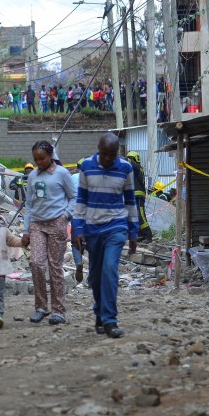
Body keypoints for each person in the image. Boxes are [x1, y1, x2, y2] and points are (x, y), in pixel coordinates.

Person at [73, 133, 137, 339]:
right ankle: (99, 312)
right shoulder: (87, 167)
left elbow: (130, 201)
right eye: (104, 154)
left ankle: (110, 319)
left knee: (110, 270)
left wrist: (133, 231)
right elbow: (81, 199)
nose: (108, 159)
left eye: (112, 155)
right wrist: (78, 228)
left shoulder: (126, 168)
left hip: (116, 226)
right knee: (96, 276)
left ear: (117, 152)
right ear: (98, 149)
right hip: (92, 228)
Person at [21, 140, 77, 325]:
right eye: (36, 159)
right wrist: (26, 230)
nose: (39, 162)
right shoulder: (32, 176)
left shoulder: (62, 173)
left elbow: (74, 197)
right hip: (37, 224)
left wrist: (65, 217)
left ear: (51, 156)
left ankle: (58, 310)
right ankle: (41, 307)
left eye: (42, 158)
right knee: (36, 264)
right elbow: (28, 204)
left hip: (56, 225)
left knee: (55, 267)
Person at [125, 151, 154, 243]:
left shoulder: (137, 167)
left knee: (140, 215)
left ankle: (148, 235)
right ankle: (140, 234)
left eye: (131, 158)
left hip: (138, 196)